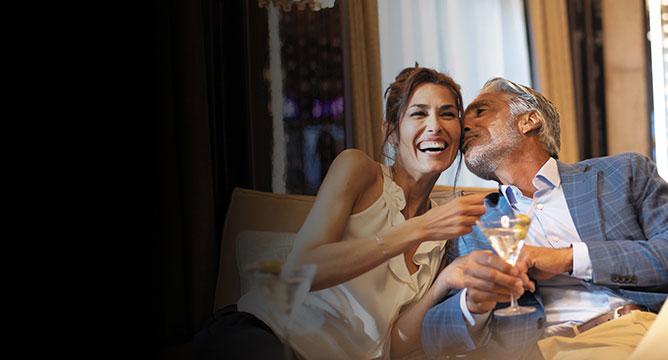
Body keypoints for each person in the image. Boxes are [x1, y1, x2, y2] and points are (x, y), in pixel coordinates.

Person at [191, 66, 488, 360]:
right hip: (261, 333)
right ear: (392, 132)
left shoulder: (445, 234)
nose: (435, 125)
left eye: (447, 114)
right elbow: (301, 268)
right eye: (419, 113)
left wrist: (444, 282)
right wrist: (420, 228)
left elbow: (394, 344)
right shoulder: (358, 170)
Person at [420, 77, 668, 360]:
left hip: (641, 331)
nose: (463, 126)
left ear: (530, 120)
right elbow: (432, 337)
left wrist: (566, 258)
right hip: (542, 351)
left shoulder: (622, 173)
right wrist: (473, 303)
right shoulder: (471, 223)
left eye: (480, 111)